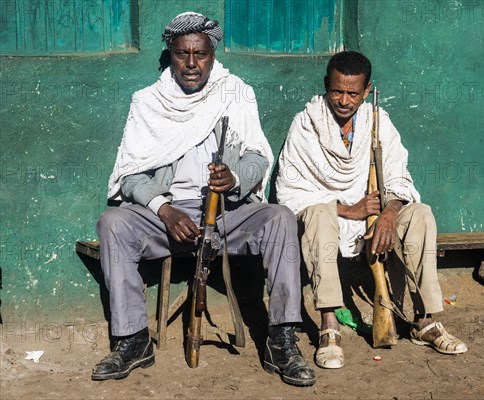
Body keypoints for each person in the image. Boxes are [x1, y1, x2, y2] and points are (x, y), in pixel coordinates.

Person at [91, 12, 316, 387]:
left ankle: (282, 340)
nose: (192, 65)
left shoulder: (236, 93)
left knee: (279, 218)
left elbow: (258, 157)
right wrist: (164, 210)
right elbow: (130, 174)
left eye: (201, 55)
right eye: (182, 54)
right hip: (169, 217)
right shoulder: (149, 102)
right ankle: (133, 339)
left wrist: (234, 179)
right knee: (113, 223)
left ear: (212, 55)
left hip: (228, 214)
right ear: (171, 54)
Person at [275, 51, 467, 369]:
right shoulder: (306, 123)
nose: (344, 100)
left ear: (367, 91)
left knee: (420, 214)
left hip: (375, 215)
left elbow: (398, 178)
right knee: (320, 215)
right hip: (331, 216)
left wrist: (389, 214)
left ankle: (424, 321)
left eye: (353, 93)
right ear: (326, 85)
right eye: (337, 91)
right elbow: (290, 191)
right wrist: (348, 209)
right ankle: (329, 328)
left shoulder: (378, 122)